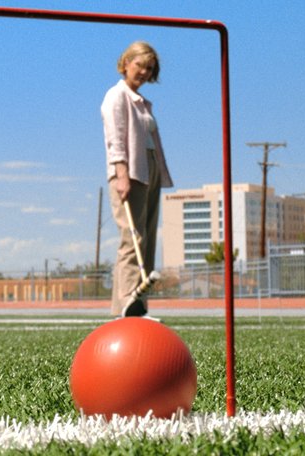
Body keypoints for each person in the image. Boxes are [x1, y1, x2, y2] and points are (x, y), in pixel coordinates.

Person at [101, 41, 173, 319]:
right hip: (129, 171)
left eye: (149, 67)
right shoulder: (116, 96)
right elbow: (115, 138)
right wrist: (121, 174)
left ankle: (138, 305)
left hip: (149, 168)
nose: (143, 71)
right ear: (126, 63)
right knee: (132, 237)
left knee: (147, 238)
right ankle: (126, 302)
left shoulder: (142, 102)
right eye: (139, 64)